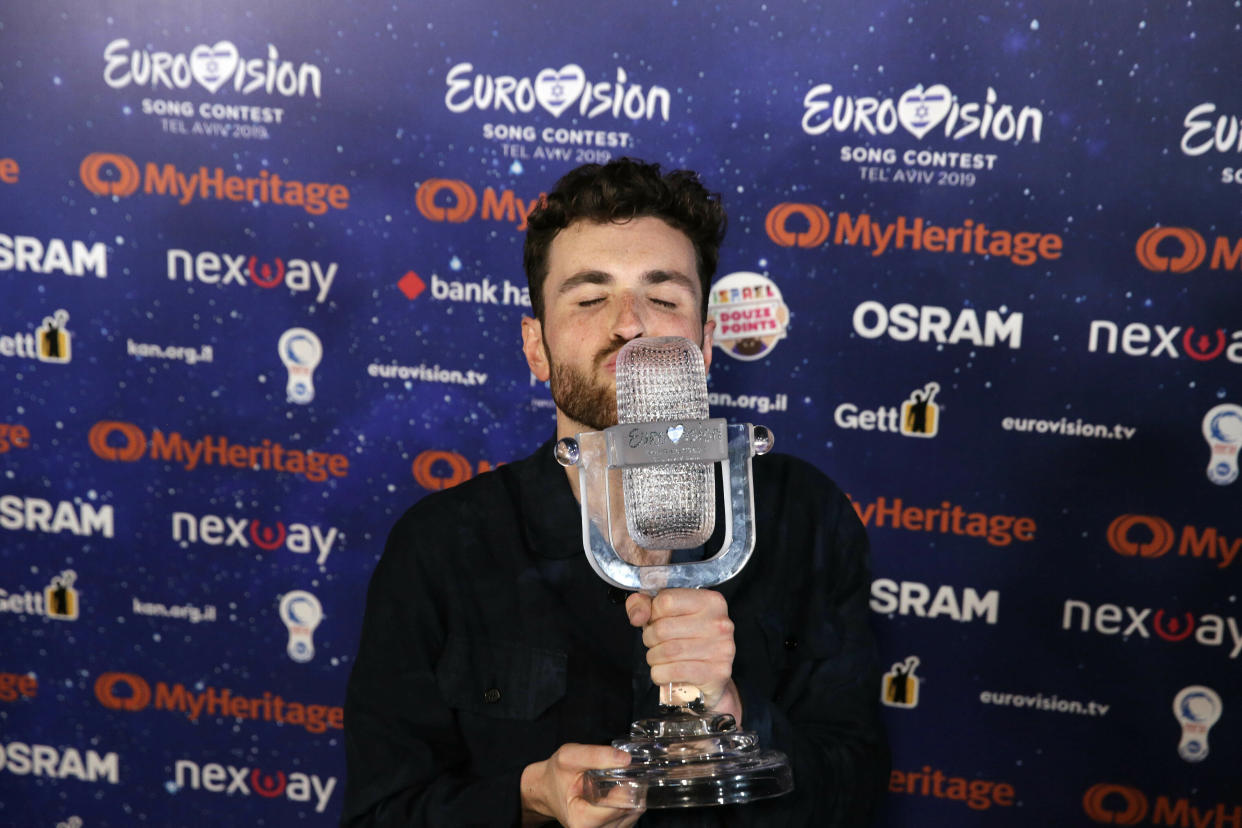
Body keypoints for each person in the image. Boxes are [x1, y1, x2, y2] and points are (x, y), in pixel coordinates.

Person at [341, 158, 889, 827]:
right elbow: (380, 816)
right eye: (589, 298)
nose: (630, 325)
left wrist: (737, 713)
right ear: (536, 346)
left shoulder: (805, 517)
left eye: (664, 298)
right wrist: (531, 797)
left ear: (706, 342)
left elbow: (856, 793)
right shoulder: (441, 545)